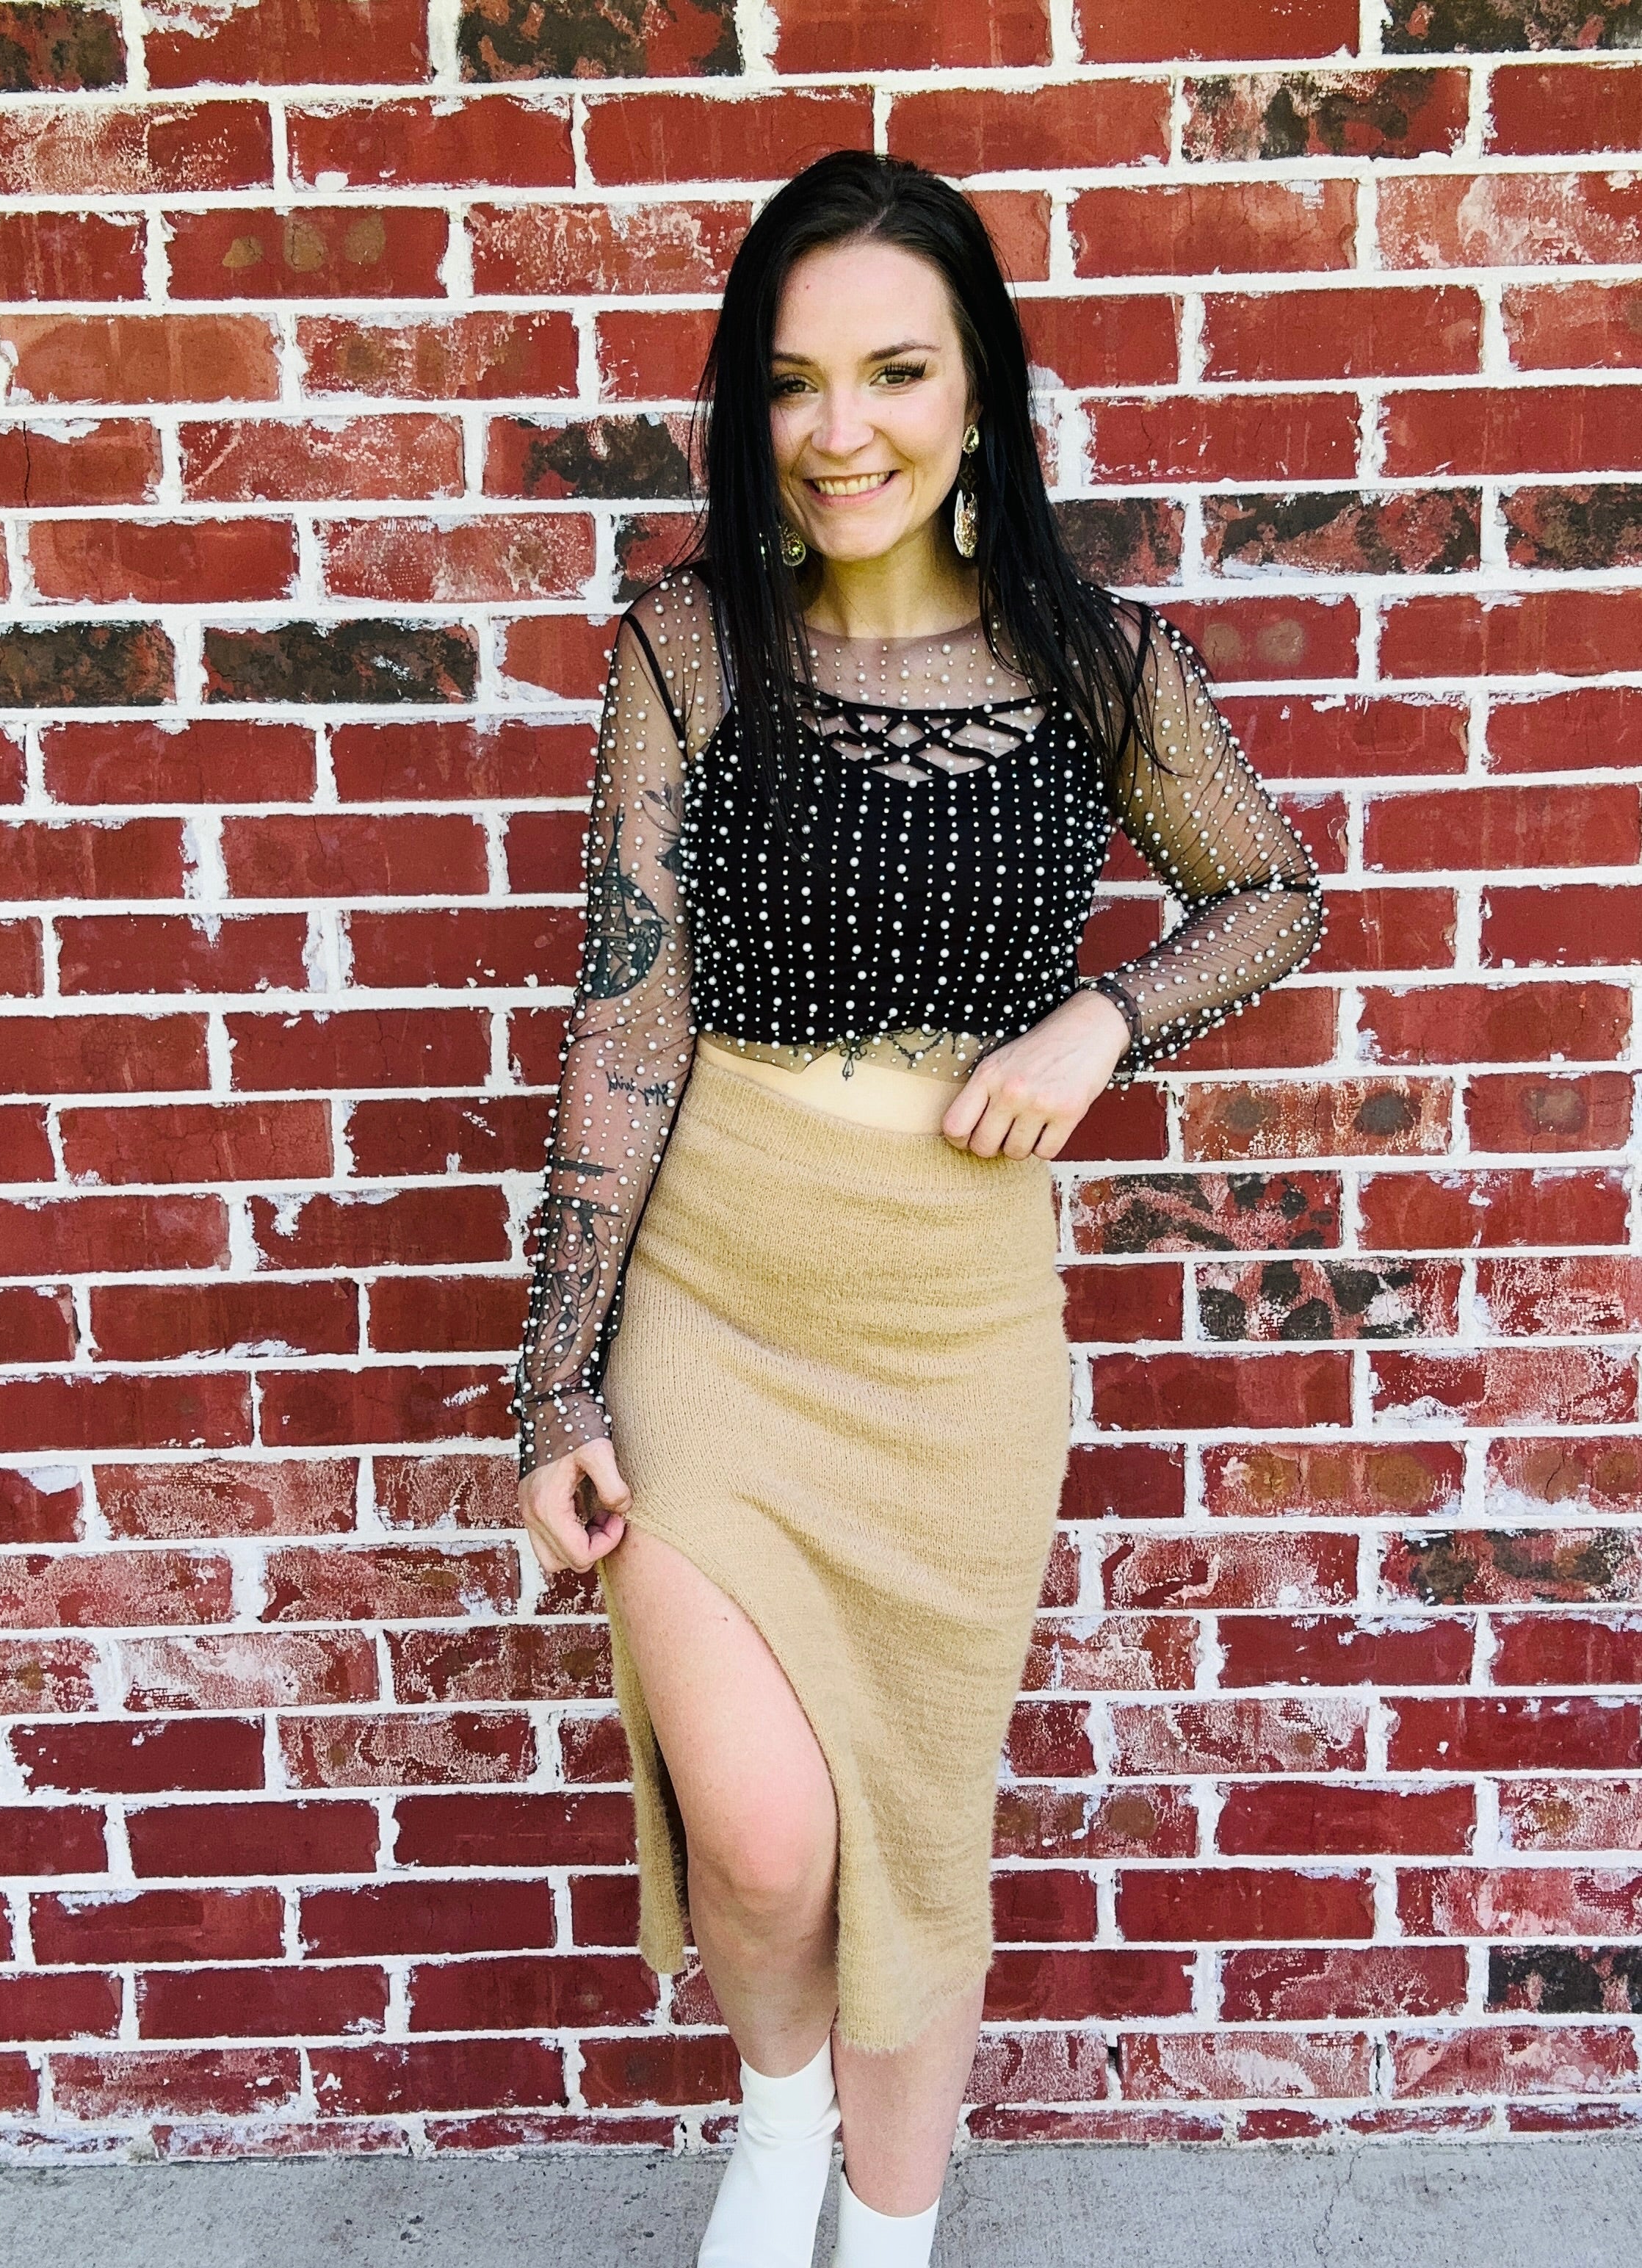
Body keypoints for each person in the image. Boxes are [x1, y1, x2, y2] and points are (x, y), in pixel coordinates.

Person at [511, 151, 1325, 2268]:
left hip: (952, 1346)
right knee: (763, 1842)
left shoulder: (1098, 664)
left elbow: (1270, 893)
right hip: (716, 1306)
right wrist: (555, 1389)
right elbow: (626, 1019)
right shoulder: (687, 651)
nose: (840, 429)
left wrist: (1102, 1020)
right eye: (793, 382)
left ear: (979, 393)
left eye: (894, 371)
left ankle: (887, 2228)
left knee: (917, 1836)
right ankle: (776, 2125)